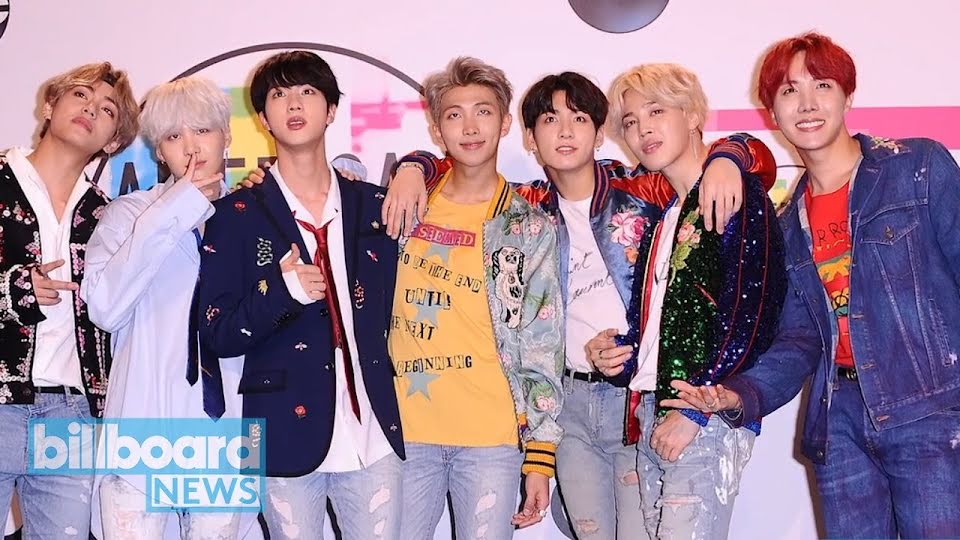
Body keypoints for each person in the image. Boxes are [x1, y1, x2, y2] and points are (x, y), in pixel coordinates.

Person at [385, 70, 776, 539]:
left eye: (579, 118)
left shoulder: (644, 189)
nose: (565, 132)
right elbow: (468, 171)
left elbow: (752, 161)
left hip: (636, 399)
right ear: (530, 137)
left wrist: (729, 155)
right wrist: (414, 166)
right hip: (569, 401)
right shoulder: (525, 208)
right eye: (550, 120)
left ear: (600, 131)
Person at [667, 32, 960, 539]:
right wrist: (736, 394)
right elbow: (799, 339)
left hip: (929, 410)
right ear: (772, 112)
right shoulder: (786, 224)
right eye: (789, 91)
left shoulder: (916, 168)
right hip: (838, 422)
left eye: (822, 85)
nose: (806, 104)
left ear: (848, 95)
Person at [197, 51, 404, 539]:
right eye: (279, 94)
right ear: (263, 117)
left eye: (308, 91)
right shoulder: (234, 214)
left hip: (374, 430)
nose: (294, 103)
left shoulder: (374, 205)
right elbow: (217, 334)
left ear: (331, 110)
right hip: (273, 432)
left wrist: (415, 166)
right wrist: (283, 292)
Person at [589, 63, 786, 539]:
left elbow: (752, 317)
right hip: (649, 413)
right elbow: (671, 324)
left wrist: (696, 411)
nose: (643, 129)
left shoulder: (733, 192)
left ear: (694, 115)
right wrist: (620, 355)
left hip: (702, 415)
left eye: (656, 111)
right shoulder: (664, 217)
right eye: (631, 121)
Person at [81, 76, 243, 539]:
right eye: (173, 136)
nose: (191, 147)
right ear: (159, 151)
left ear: (227, 136)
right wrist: (177, 208)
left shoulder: (251, 218)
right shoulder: (129, 214)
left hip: (226, 429)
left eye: (203, 130)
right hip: (141, 422)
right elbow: (105, 308)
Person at [0, 62, 138, 539]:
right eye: (80, 95)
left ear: (113, 141)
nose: (91, 109)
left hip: (72, 414)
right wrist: (13, 289)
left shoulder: (109, 215)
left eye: (107, 109)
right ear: (49, 105)